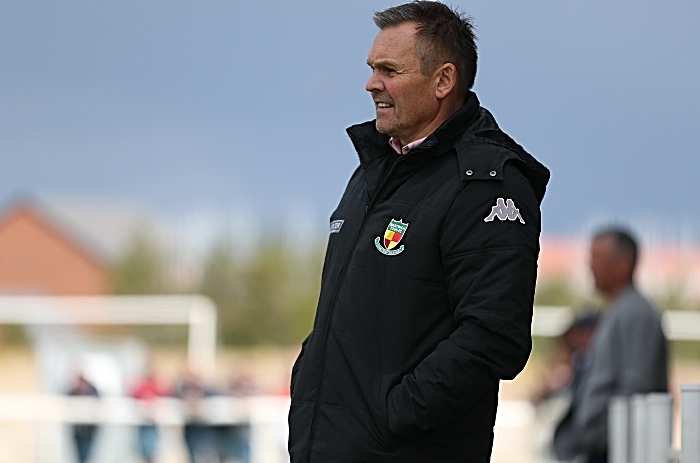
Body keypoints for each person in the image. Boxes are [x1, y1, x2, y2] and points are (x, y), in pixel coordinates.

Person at [287, 2, 550, 461]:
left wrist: (391, 416)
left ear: (443, 81)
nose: (372, 83)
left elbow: (494, 338)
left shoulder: (487, 183)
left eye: (389, 70)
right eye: (372, 69)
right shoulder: (377, 168)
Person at [553, 228, 668, 463]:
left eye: (597, 257)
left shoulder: (636, 314)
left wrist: (600, 434)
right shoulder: (618, 310)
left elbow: (638, 388)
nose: (590, 266)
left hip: (616, 449)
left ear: (624, 264)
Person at [131, 368, 169, 463]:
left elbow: (164, 396)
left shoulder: (156, 385)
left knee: (152, 450)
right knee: (143, 449)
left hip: (153, 423)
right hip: (143, 422)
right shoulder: (142, 386)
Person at [67, 372, 100, 463]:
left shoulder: (92, 391)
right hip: (77, 429)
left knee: (86, 454)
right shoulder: (73, 391)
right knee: (79, 455)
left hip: (89, 430)